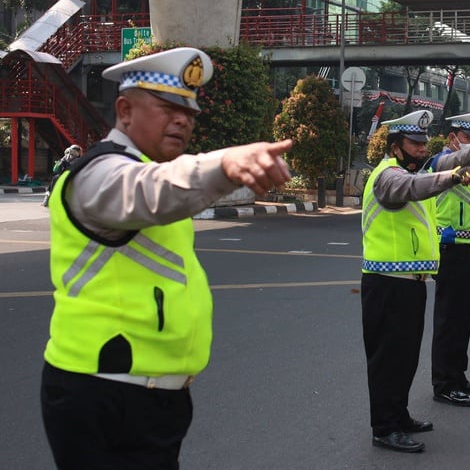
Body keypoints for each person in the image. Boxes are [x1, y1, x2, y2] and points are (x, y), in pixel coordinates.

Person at [40, 47, 294, 470]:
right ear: (124, 110)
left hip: (152, 399)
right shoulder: (98, 174)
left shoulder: (147, 166)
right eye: (168, 108)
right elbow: (152, 189)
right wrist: (224, 163)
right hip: (104, 395)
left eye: (190, 114)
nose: (183, 121)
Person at [360, 110, 470, 454]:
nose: (421, 150)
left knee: (406, 356)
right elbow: (414, 188)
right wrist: (455, 178)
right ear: (395, 146)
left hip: (410, 282)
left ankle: (398, 415)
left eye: (424, 144)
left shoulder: (415, 168)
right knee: (388, 359)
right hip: (385, 283)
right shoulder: (388, 177)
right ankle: (384, 427)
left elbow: (450, 161)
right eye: (414, 144)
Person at [427, 112, 470, 408]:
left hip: (468, 250)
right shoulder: (442, 165)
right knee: (448, 319)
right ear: (452, 139)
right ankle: (444, 383)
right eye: (469, 139)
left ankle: (457, 374)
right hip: (449, 250)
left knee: (463, 316)